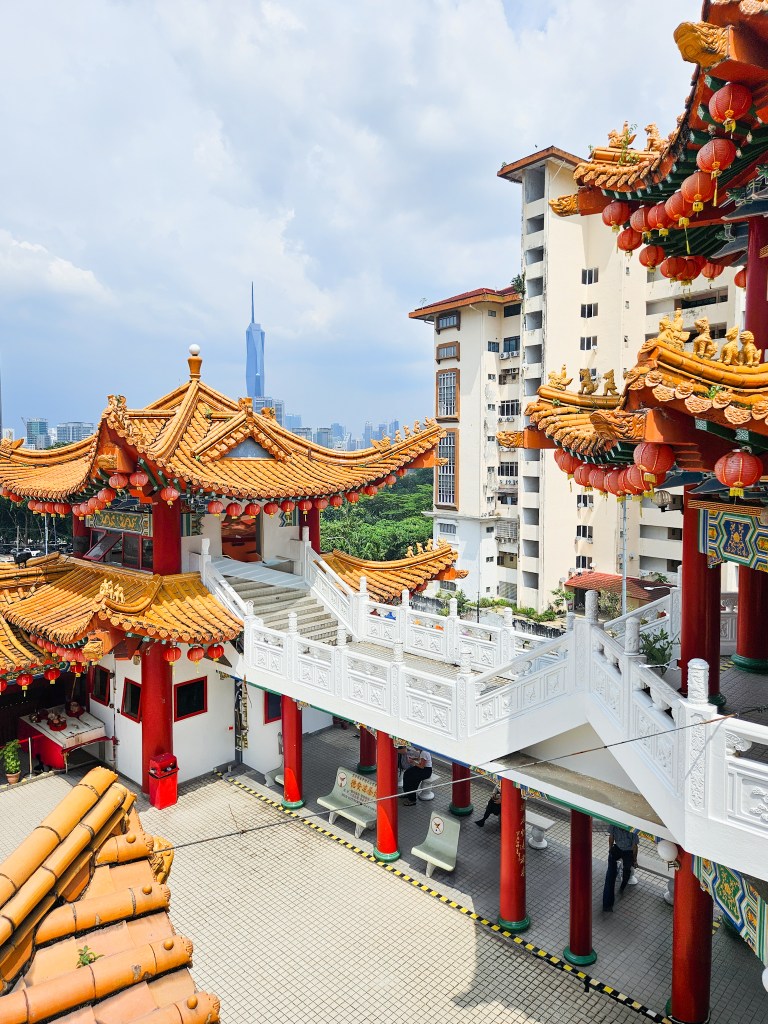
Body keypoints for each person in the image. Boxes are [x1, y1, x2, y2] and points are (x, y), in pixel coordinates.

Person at [602, 823, 639, 911]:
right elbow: (634, 846)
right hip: (623, 850)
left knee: (619, 872)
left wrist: (610, 849)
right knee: (624, 870)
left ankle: (621, 888)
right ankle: (622, 886)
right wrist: (635, 860)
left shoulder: (616, 823)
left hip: (623, 850)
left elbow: (611, 838)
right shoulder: (631, 828)